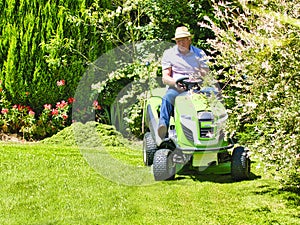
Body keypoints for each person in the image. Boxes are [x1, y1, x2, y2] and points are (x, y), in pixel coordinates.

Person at [158, 26, 209, 139]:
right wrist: (175, 82)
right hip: (177, 86)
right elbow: (165, 77)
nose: (181, 43)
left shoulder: (199, 53)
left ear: (189, 39)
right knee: (167, 98)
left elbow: (206, 73)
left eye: (183, 40)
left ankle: (219, 131)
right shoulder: (169, 54)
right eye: (178, 40)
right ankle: (163, 126)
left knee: (214, 97)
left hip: (197, 86)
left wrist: (198, 76)